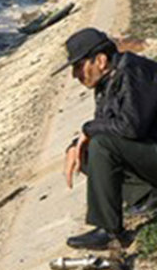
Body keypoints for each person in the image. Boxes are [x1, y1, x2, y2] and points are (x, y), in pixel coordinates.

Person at [60, 28, 157, 250]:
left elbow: (131, 128)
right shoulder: (108, 81)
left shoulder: (133, 73)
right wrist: (75, 146)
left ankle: (110, 231)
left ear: (101, 60)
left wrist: (88, 129)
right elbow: (107, 126)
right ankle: (147, 197)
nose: (75, 75)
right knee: (87, 149)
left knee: (102, 145)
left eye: (79, 66)